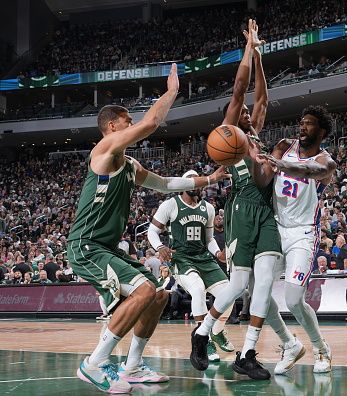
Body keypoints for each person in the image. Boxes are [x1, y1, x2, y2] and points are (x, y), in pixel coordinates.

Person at [66, 64, 229, 393]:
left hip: (107, 248)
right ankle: (94, 363)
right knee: (143, 291)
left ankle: (133, 365)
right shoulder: (103, 153)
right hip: (86, 246)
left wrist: (210, 179)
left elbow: (168, 183)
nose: (132, 122)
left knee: (158, 294)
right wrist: (171, 93)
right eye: (127, 119)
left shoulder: (130, 165)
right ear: (113, 126)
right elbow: (152, 122)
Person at [192, 20, 284, 381]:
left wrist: (259, 52)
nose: (247, 112)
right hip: (242, 207)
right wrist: (247, 49)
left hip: (266, 209)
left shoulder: (256, 134)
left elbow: (262, 96)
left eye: (248, 113)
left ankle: (247, 353)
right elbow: (241, 90)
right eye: (242, 112)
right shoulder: (230, 133)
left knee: (262, 283)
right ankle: (201, 334)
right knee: (239, 282)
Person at [253, 104, 335, 374]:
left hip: (303, 233)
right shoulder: (283, 145)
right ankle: (289, 343)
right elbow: (264, 181)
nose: (302, 126)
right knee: (256, 292)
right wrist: (256, 161)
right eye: (301, 122)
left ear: (321, 131)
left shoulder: (326, 161)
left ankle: (320, 347)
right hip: (276, 228)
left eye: (309, 123)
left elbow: (310, 171)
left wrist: (282, 164)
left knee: (293, 299)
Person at [148, 170, 235, 363]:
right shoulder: (170, 205)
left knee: (229, 294)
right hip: (182, 259)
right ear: (184, 185)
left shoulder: (208, 209)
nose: (199, 186)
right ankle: (203, 340)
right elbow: (152, 232)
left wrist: (218, 253)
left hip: (203, 258)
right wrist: (160, 246)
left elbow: (209, 239)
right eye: (194, 183)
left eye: (200, 183)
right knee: (198, 289)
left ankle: (217, 331)